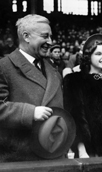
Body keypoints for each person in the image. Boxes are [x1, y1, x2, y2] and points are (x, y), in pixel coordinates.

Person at [0, 14, 64, 162]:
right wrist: (30, 112)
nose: (50, 41)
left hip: (54, 153)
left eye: (50, 37)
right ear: (26, 36)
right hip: (19, 159)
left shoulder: (52, 69)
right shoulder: (4, 66)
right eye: (45, 36)